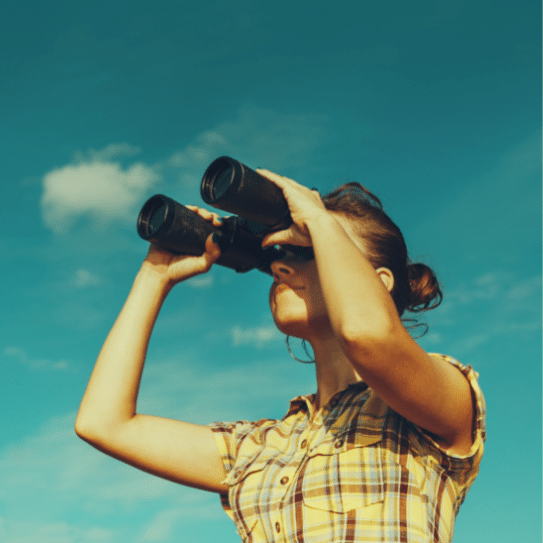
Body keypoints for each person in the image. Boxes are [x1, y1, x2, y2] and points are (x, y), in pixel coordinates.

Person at [75, 169, 485, 543]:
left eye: (306, 249)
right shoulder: (260, 447)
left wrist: (321, 221)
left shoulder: (434, 407)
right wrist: (155, 275)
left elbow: (368, 334)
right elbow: (103, 423)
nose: (279, 268)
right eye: (277, 255)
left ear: (380, 283)